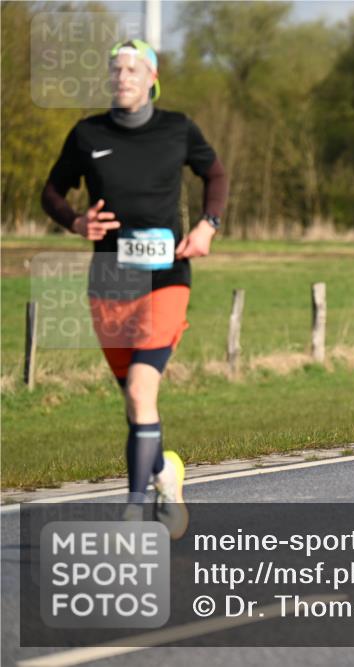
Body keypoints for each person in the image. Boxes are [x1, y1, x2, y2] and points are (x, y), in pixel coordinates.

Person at [41, 39, 228, 537]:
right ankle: (165, 472)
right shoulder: (87, 133)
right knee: (136, 402)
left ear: (152, 79)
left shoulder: (178, 128)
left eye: (132, 68)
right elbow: (51, 191)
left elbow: (215, 173)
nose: (122, 76)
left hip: (166, 279)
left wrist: (208, 224)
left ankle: (133, 514)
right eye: (115, 69)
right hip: (108, 282)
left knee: (144, 389)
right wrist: (75, 222)